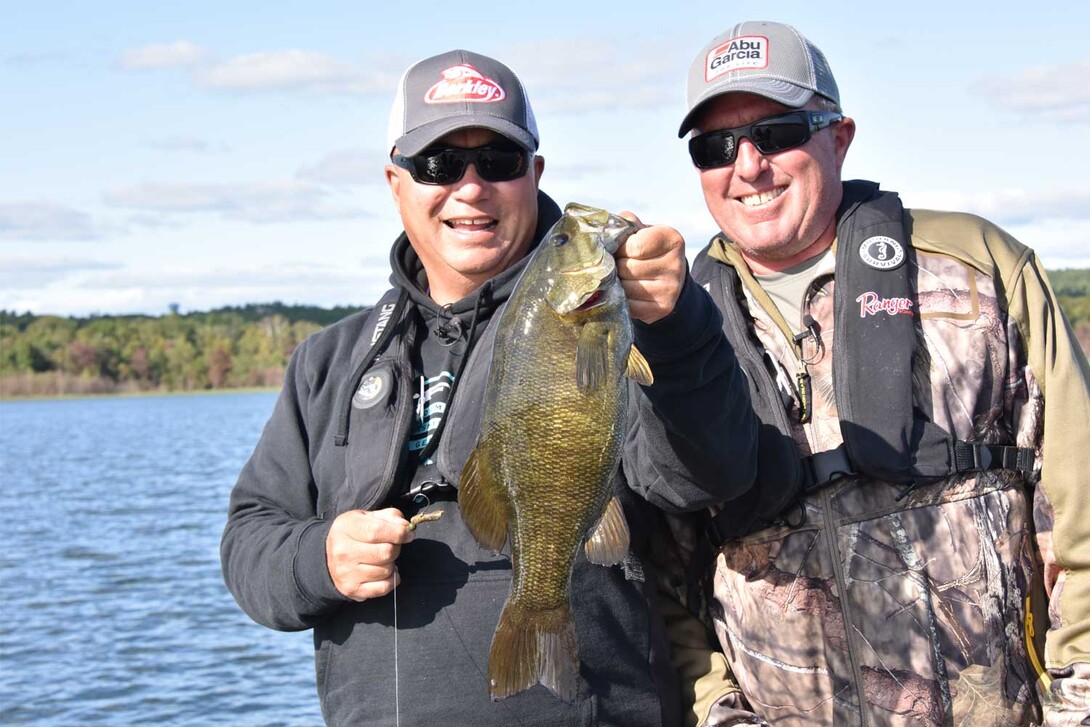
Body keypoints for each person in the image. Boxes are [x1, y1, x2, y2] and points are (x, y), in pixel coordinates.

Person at [220, 49, 757, 726]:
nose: (471, 188)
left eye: (498, 163)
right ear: (395, 181)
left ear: (534, 174)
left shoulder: (623, 317)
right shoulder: (327, 363)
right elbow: (248, 542)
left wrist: (677, 328)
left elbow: (710, 474)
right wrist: (318, 558)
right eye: (439, 164)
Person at [669, 20, 1090, 727]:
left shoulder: (980, 264)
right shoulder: (671, 330)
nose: (748, 166)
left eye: (776, 133)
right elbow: (659, 569)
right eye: (715, 147)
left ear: (839, 136)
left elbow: (1081, 496)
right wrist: (718, 714)